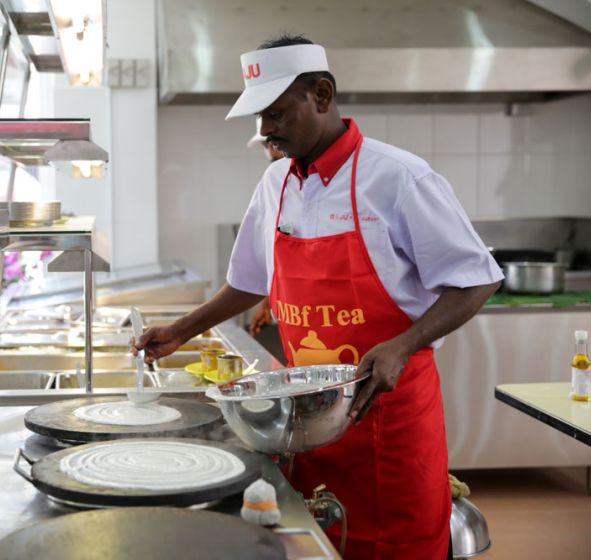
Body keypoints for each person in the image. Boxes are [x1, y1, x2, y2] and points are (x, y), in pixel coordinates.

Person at [136, 34, 503, 559]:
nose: (265, 130)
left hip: (388, 422)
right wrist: (179, 331)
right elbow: (247, 282)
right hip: (306, 428)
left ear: (323, 96)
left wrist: (404, 344)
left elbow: (477, 277)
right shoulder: (276, 183)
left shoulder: (397, 178)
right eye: (259, 118)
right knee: (314, 544)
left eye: (277, 114)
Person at [246, 117, 284, 339]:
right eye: (265, 145)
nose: (270, 152)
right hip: (291, 320)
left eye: (272, 143)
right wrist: (267, 304)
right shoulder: (276, 185)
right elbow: (277, 255)